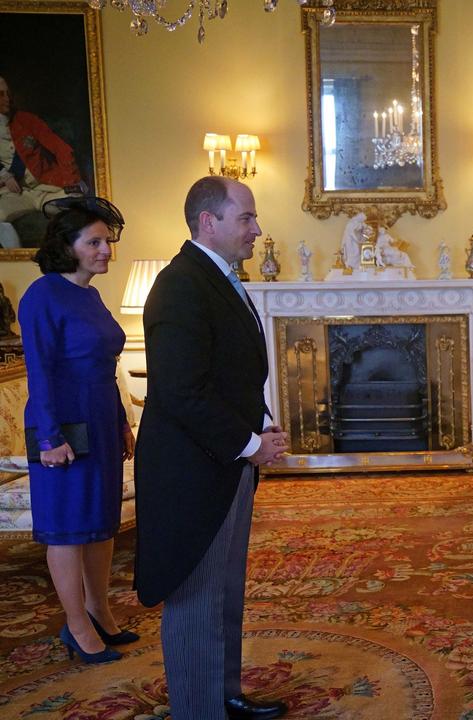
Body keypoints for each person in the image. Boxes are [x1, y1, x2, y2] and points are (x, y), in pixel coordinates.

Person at [133, 177, 289, 720]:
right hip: (191, 472)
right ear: (209, 222)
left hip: (223, 463)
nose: (256, 228)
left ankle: (224, 695)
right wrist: (249, 444)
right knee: (197, 596)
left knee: (223, 592)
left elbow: (232, 375)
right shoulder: (180, 286)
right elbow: (181, 391)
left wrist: (260, 430)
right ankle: (199, 711)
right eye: (245, 217)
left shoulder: (217, 278)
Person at [17, 196, 136, 664]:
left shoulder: (89, 293)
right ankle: (77, 626)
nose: (106, 250)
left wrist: (122, 423)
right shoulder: (42, 295)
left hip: (100, 420)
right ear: (67, 247)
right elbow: (40, 372)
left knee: (99, 524)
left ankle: (100, 611)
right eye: (95, 242)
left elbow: (104, 368)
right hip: (60, 425)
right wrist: (49, 437)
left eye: (107, 241)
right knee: (68, 530)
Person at [0, 75, 80, 246]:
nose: (7, 99)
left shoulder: (26, 120)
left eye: (8, 93)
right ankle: (17, 261)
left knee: (79, 209)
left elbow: (61, 149)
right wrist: (4, 176)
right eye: (1, 94)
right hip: (15, 193)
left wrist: (71, 183)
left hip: (46, 188)